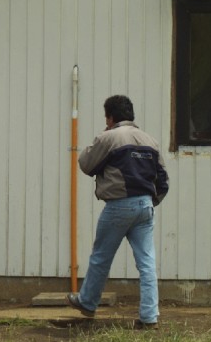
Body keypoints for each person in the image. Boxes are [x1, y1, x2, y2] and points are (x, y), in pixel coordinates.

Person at [68, 94, 168, 330]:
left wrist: (105, 135)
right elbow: (163, 180)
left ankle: (88, 303)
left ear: (110, 117)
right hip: (145, 206)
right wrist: (149, 201)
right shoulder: (150, 141)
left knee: (101, 256)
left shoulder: (109, 137)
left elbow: (85, 164)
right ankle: (149, 317)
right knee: (147, 262)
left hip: (118, 206)